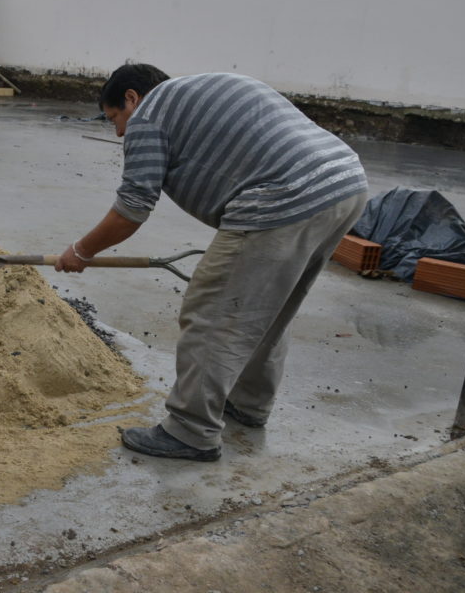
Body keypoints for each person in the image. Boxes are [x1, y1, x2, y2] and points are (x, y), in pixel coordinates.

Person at [56, 65, 367, 461]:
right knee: (267, 308)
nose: (119, 132)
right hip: (344, 183)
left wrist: (81, 251)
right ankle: (249, 404)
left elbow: (133, 207)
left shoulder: (149, 115)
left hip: (283, 197)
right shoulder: (204, 88)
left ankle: (189, 430)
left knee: (211, 310)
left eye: (115, 118)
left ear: (132, 98)